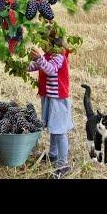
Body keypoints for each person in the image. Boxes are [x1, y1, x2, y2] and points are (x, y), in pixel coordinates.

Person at [28, 35, 73, 178]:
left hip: (58, 100)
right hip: (49, 97)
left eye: (43, 41)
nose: (41, 44)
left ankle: (63, 164)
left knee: (59, 131)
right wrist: (17, 62)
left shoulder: (59, 56)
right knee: (53, 127)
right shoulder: (47, 56)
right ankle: (53, 155)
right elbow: (34, 66)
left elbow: (51, 70)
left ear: (52, 42)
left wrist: (39, 58)